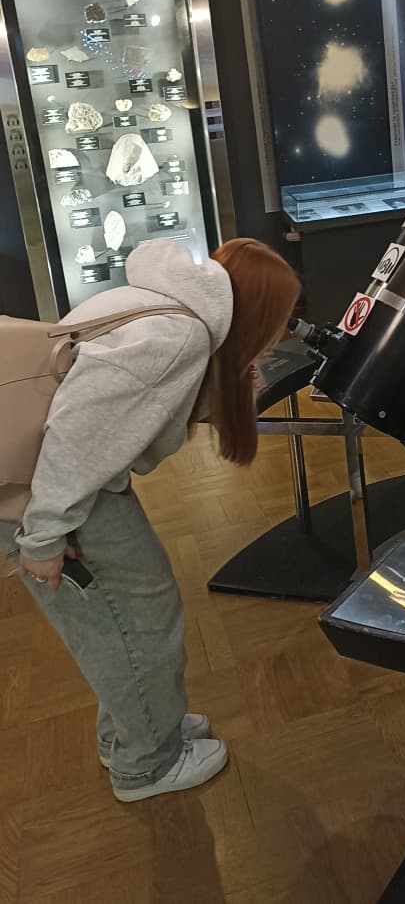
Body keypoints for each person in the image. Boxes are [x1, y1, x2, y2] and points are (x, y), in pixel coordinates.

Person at [0, 237, 300, 802]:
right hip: (49, 494)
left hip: (53, 487)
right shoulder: (179, 334)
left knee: (118, 620)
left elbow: (131, 408)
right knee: (138, 618)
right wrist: (41, 537)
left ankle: (139, 730)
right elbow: (77, 436)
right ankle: (147, 765)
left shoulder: (167, 304)